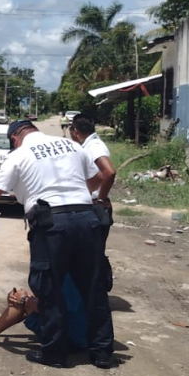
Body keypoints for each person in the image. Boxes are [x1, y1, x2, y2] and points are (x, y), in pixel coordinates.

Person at [0, 119, 114, 368]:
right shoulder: (72, 146)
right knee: (93, 286)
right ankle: (102, 353)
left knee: (49, 287)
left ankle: (54, 353)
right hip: (87, 218)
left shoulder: (20, 154)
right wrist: (74, 192)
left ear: (14, 138)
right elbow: (99, 178)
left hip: (53, 225)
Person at [69, 113, 117, 290]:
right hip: (91, 205)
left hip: (95, 206)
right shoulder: (89, 144)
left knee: (91, 255)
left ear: (75, 131)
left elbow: (109, 172)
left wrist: (100, 198)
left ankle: (95, 293)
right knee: (86, 254)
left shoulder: (94, 147)